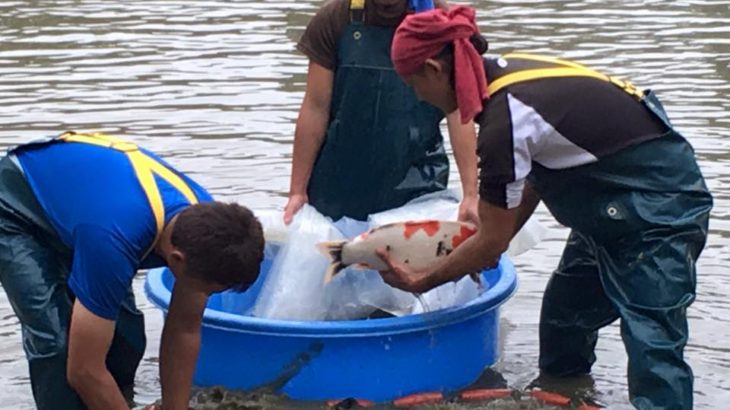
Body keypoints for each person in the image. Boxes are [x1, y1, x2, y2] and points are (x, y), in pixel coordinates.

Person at [376, 6, 713, 410]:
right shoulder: (500, 79)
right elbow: (531, 181)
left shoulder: (505, 119)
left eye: (412, 83)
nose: (416, 96)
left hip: (660, 209)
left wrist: (425, 279)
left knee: (653, 344)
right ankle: (568, 398)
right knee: (563, 324)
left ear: (432, 69)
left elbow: (492, 241)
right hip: (606, 206)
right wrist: (483, 243)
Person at [0, 131, 265, 410]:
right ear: (176, 259)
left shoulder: (210, 231)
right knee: (58, 345)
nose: (206, 295)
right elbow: (83, 370)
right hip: (16, 207)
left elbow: (184, 330)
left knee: (127, 339)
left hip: (86, 211)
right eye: (209, 290)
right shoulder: (114, 242)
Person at [283, 0, 480, 225]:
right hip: (336, 188)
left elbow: (459, 113)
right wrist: (297, 192)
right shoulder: (334, 19)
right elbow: (315, 108)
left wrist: (471, 194)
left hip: (420, 187)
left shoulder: (446, 22)